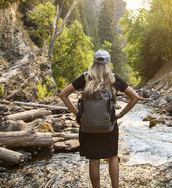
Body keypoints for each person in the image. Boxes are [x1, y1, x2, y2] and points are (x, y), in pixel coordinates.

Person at [59, 50, 140, 188]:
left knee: (94, 160)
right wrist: (120, 115)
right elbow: (135, 97)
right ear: (108, 64)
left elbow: (63, 95)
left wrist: (78, 113)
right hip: (109, 125)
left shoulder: (84, 78)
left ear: (94, 62)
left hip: (87, 127)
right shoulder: (114, 79)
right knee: (112, 157)